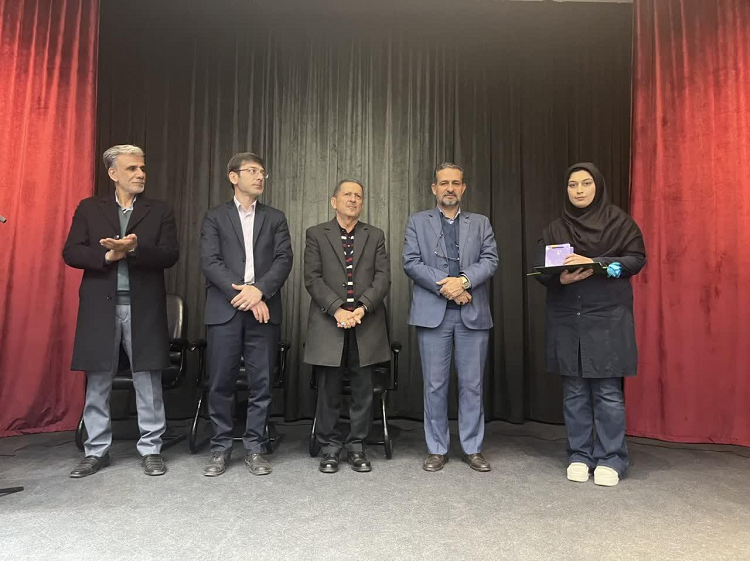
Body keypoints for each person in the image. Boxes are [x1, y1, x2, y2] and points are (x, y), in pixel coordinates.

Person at [63, 144, 179, 478]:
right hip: (100, 307)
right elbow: (71, 252)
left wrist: (135, 248)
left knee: (148, 379)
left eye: (142, 168)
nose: (140, 174)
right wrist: (107, 257)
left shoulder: (159, 211)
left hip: (144, 306)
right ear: (113, 173)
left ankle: (151, 448)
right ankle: (96, 450)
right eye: (132, 169)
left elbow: (170, 254)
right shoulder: (89, 208)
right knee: (98, 379)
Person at [536, 162, 646, 487]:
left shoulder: (620, 223)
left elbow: (635, 260)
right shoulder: (556, 228)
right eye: (573, 185)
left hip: (607, 319)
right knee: (574, 391)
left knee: (607, 391)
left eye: (585, 183)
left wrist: (596, 263)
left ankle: (612, 458)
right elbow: (542, 270)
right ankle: (579, 454)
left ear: (598, 186)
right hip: (568, 318)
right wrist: (560, 279)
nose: (579, 190)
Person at [200, 152, 292, 477]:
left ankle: (255, 447)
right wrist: (248, 296)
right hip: (225, 310)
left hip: (264, 311)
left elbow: (283, 260)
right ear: (233, 177)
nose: (259, 176)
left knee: (261, 383)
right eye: (252, 171)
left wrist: (260, 291)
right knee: (220, 382)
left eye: (262, 172)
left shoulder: (275, 218)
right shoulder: (215, 217)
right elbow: (210, 262)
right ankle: (220, 447)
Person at [403, 162, 498, 472]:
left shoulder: (481, 222)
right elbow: (411, 263)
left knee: (472, 385)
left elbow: (490, 260)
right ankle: (437, 448)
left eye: (456, 183)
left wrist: (464, 282)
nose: (450, 188)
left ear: (463, 188)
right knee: (434, 385)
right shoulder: (417, 221)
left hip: (473, 314)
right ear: (434, 188)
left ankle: (472, 448)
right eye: (444, 183)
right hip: (433, 315)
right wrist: (450, 288)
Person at [303, 179, 391, 473]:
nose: (353, 199)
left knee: (362, 391)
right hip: (329, 324)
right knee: (328, 390)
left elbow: (383, 278)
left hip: (367, 323)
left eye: (358, 196)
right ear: (334, 201)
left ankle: (356, 447)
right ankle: (329, 447)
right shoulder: (316, 234)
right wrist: (338, 309)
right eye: (347, 195)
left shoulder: (375, 235)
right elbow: (312, 278)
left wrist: (362, 308)